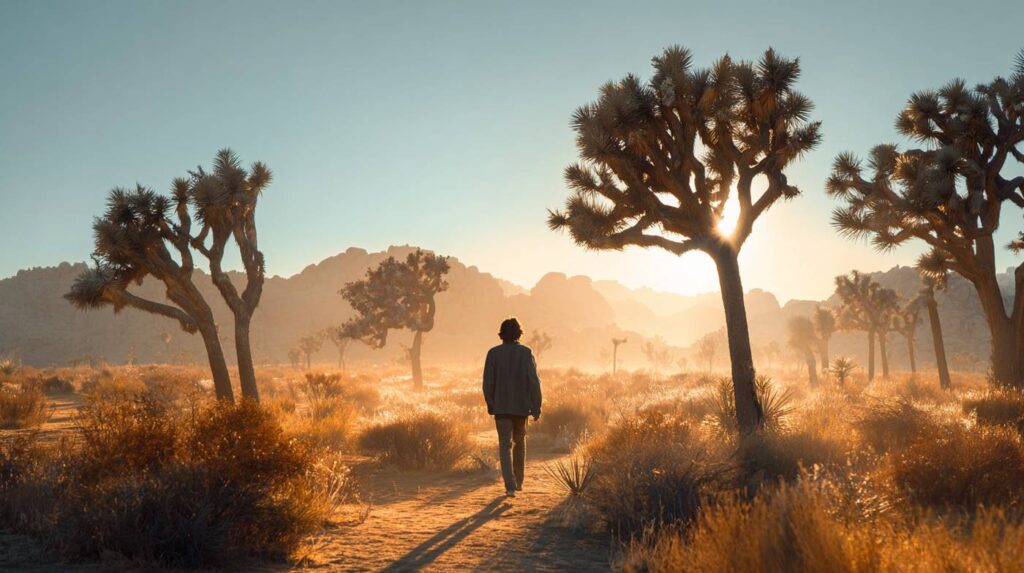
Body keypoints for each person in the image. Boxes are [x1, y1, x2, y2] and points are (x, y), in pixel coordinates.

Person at [482, 317, 542, 498]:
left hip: (501, 408)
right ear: (518, 333)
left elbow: (487, 382)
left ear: (501, 334)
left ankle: (509, 485)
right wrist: (536, 406)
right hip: (521, 408)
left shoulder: (493, 353)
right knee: (520, 444)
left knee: (504, 446)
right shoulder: (526, 353)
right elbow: (534, 381)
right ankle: (519, 481)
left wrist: (491, 403)